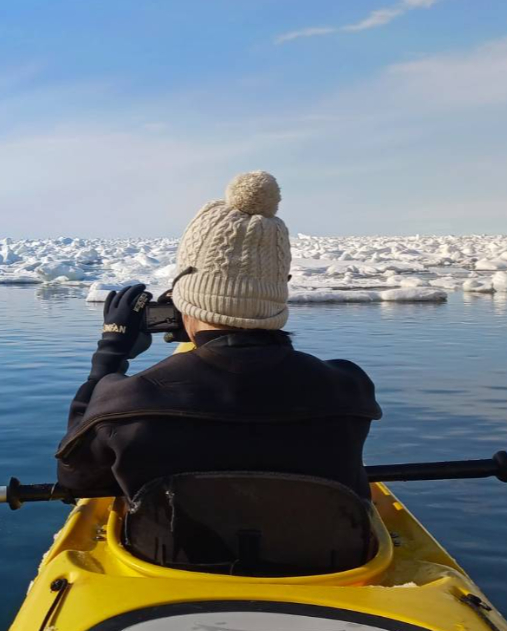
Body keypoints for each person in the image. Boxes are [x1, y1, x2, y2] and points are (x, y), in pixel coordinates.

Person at [55, 171, 382, 501]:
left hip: (171, 552)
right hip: (323, 550)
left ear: (188, 298)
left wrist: (110, 353)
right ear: (277, 288)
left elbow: (76, 479)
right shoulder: (349, 387)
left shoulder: (127, 402)